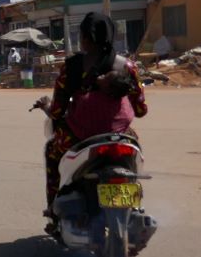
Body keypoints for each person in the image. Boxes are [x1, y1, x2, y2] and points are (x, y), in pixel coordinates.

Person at [34, 12, 148, 221]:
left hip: (78, 137)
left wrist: (47, 107)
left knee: (52, 151)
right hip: (119, 136)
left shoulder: (71, 68)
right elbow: (140, 110)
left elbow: (58, 112)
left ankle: (53, 210)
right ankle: (134, 202)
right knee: (135, 149)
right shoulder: (127, 67)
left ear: (85, 38)